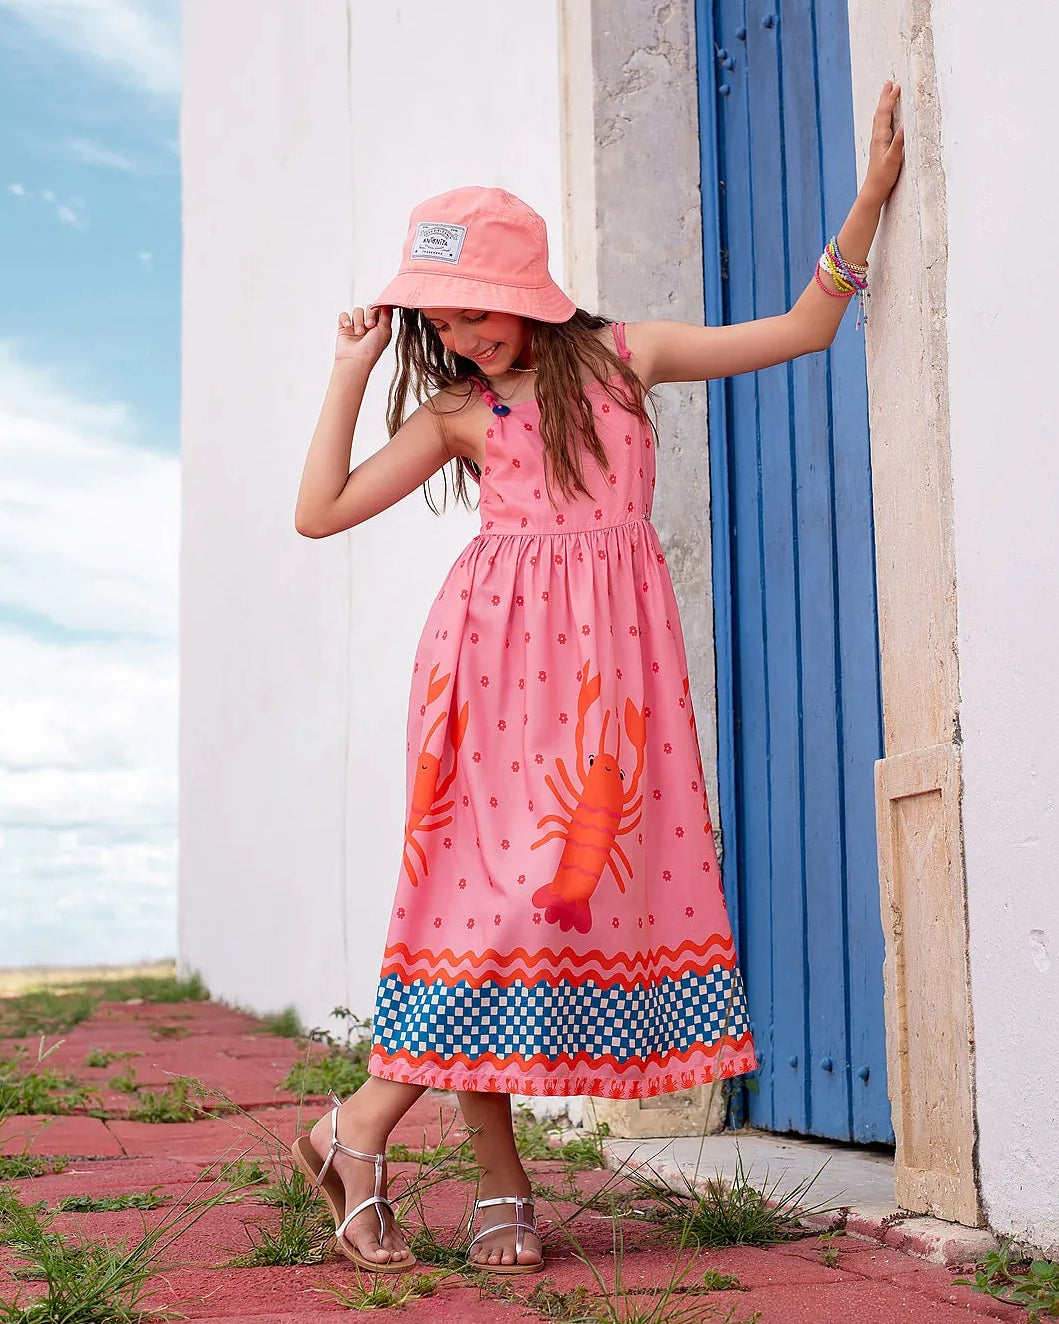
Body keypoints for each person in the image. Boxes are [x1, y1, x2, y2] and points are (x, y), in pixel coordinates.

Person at [291, 83, 904, 1276]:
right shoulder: (460, 411)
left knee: (550, 915)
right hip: (484, 677)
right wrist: (352, 369)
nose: (466, 336)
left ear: (528, 292)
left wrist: (871, 199)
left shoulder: (630, 360)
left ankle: (360, 1132)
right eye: (448, 319)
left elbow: (798, 330)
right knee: (483, 920)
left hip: (603, 697)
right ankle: (472, 1177)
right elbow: (318, 513)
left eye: (480, 313)